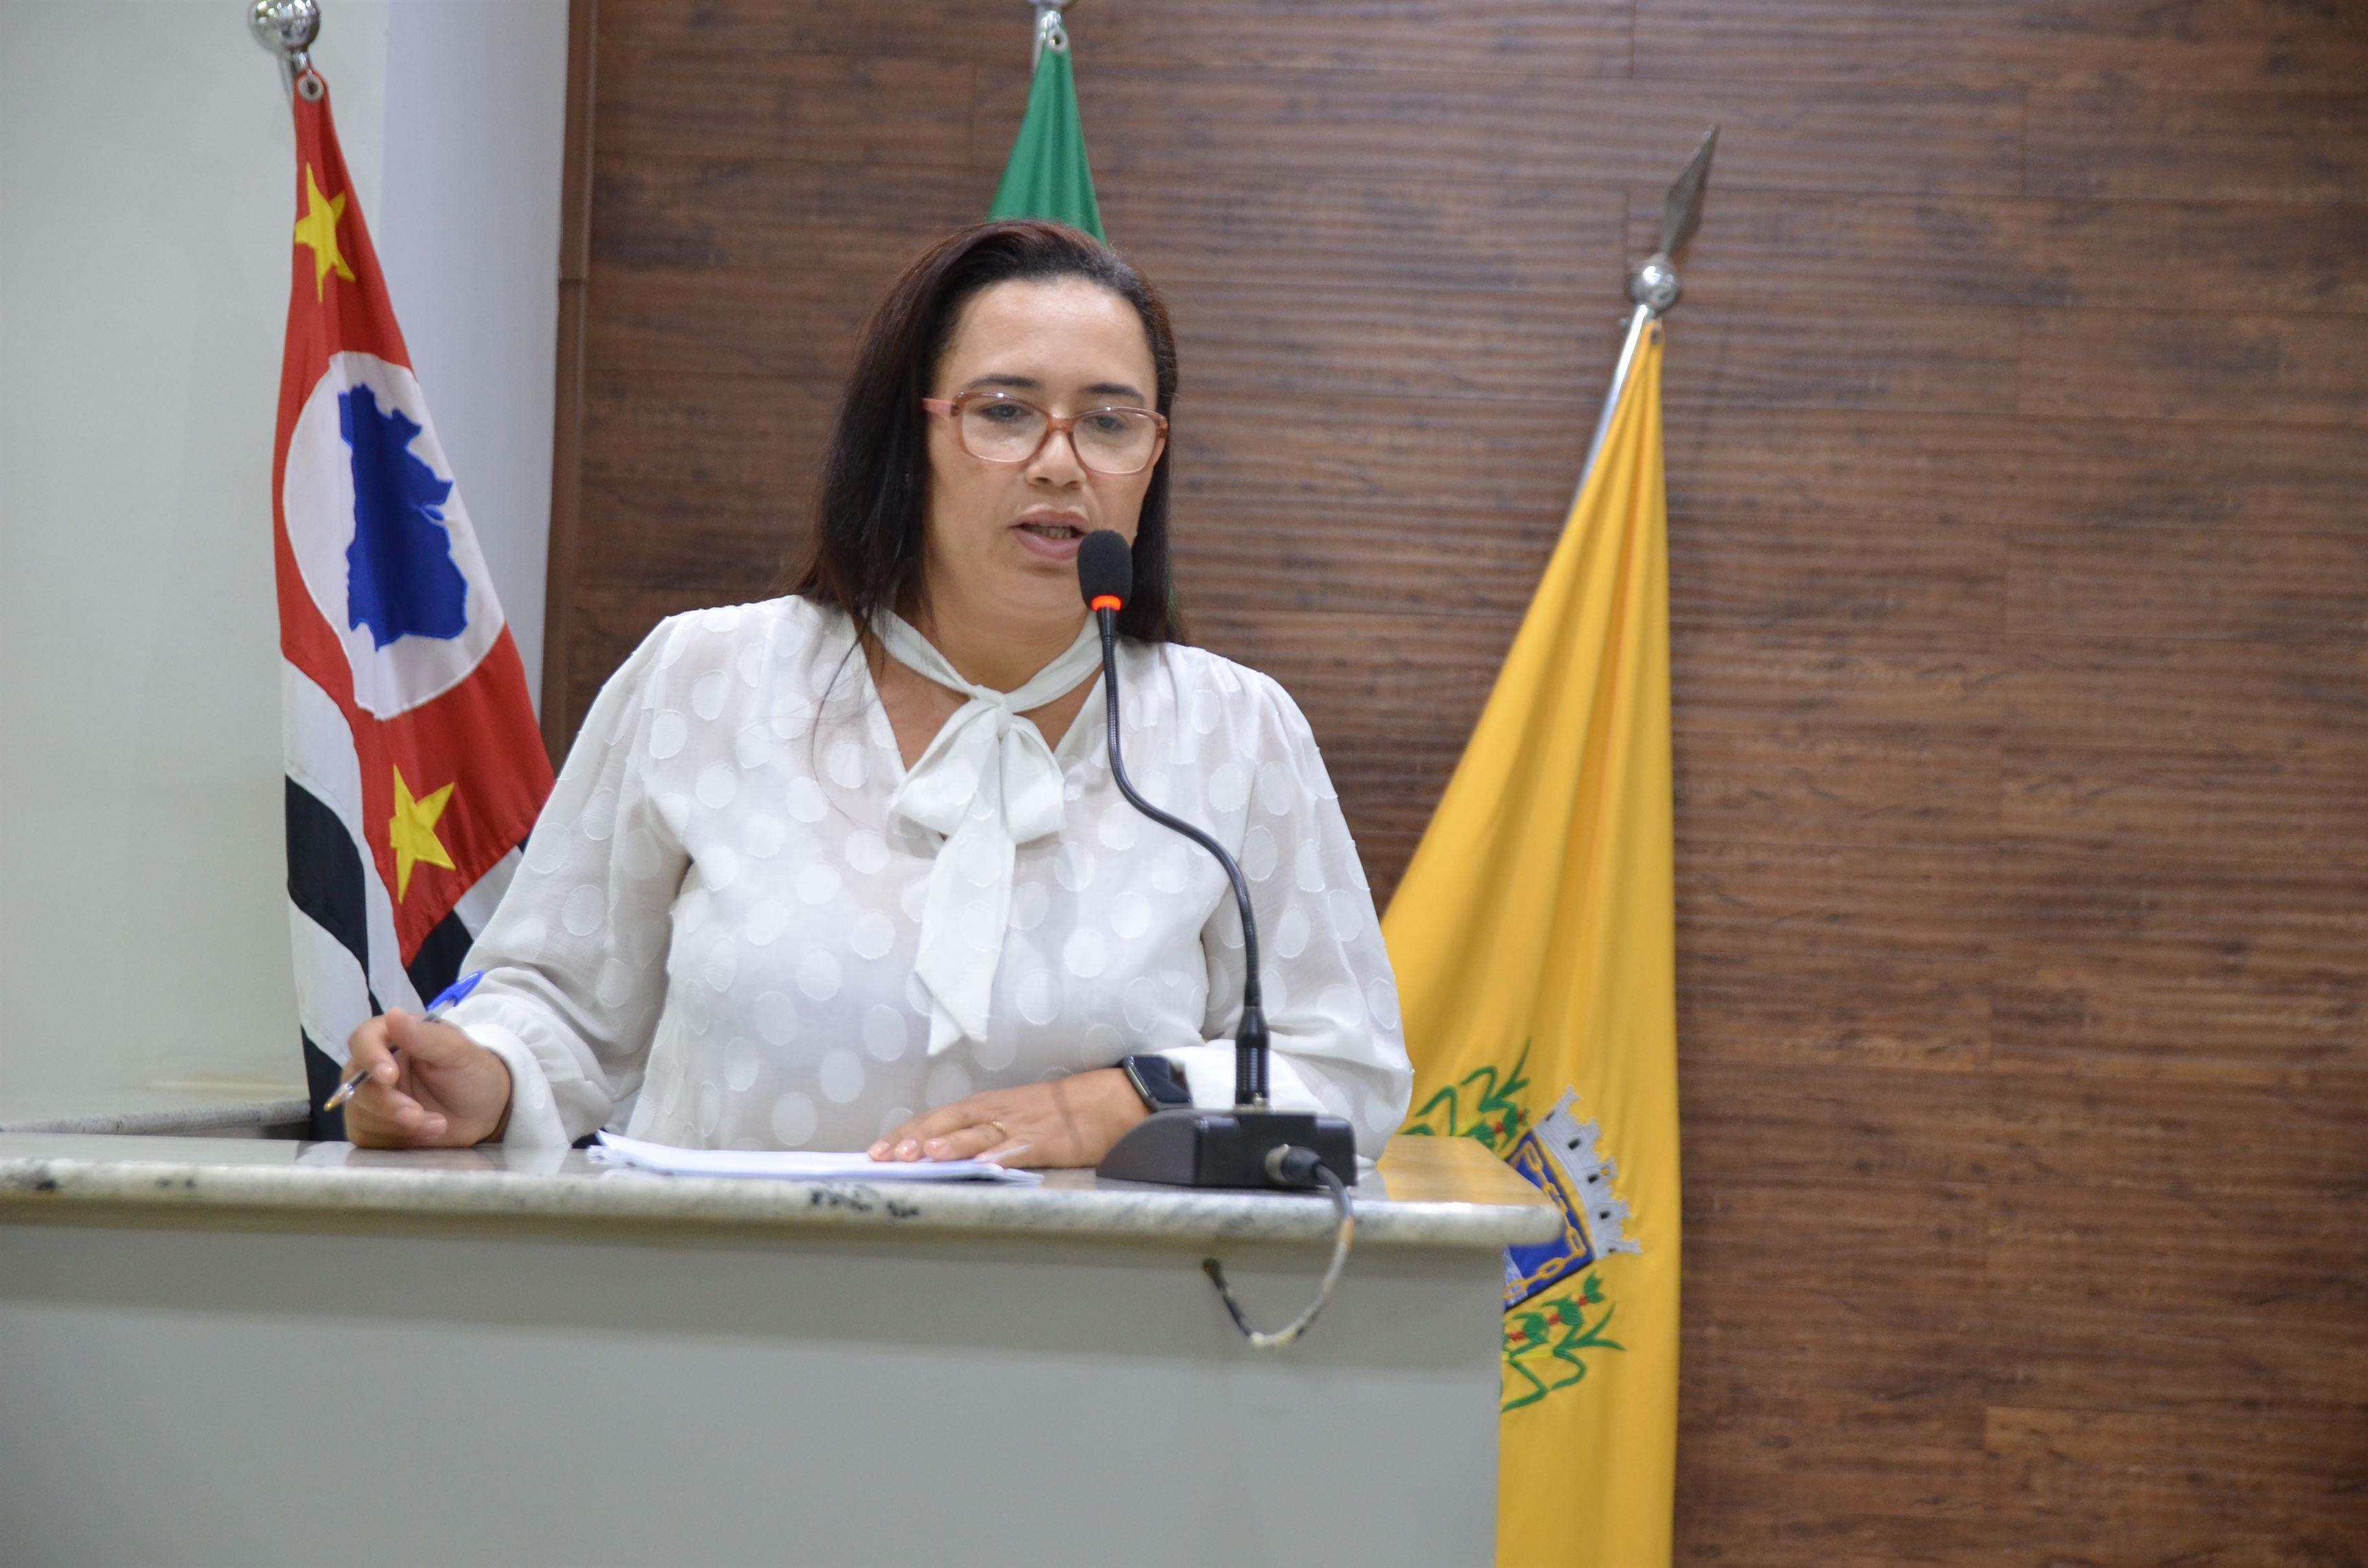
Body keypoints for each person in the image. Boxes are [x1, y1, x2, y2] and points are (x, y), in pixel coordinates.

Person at [339, 220, 1412, 1166]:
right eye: (1005, 412)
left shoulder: (1234, 730)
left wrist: (1120, 1104)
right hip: (719, 1299)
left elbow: (1345, 1070)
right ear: (910, 440)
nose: (1059, 463)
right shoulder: (706, 676)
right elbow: (558, 1002)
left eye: (1109, 422)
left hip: (1098, 1315)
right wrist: (482, 1076)